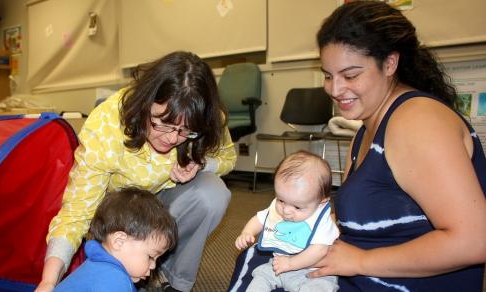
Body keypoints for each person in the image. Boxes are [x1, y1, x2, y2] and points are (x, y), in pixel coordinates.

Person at [308, 1, 486, 291]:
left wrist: (362, 261)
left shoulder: (418, 122)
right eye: (328, 76)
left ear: (390, 63)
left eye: (350, 75)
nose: (335, 89)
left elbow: (475, 241)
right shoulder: (366, 129)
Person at [36, 51, 237, 292]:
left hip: (165, 200)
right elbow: (76, 212)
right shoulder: (108, 124)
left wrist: (201, 162)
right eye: (162, 124)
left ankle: (173, 283)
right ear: (145, 103)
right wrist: (49, 281)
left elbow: (228, 158)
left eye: (186, 131)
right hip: (120, 210)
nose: (173, 138)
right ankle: (136, 268)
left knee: (212, 194)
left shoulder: (208, 116)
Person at [235, 150, 339, 292]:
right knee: (260, 278)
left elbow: (319, 250)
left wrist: (291, 263)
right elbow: (260, 219)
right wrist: (247, 232)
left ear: (321, 202)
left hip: (312, 273)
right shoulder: (280, 208)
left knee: (322, 287)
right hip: (278, 266)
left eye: (297, 206)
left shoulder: (322, 222)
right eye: (281, 200)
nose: (286, 211)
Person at [54, 187, 178, 292]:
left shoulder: (98, 264)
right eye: (151, 257)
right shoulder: (113, 281)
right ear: (119, 241)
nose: (153, 266)